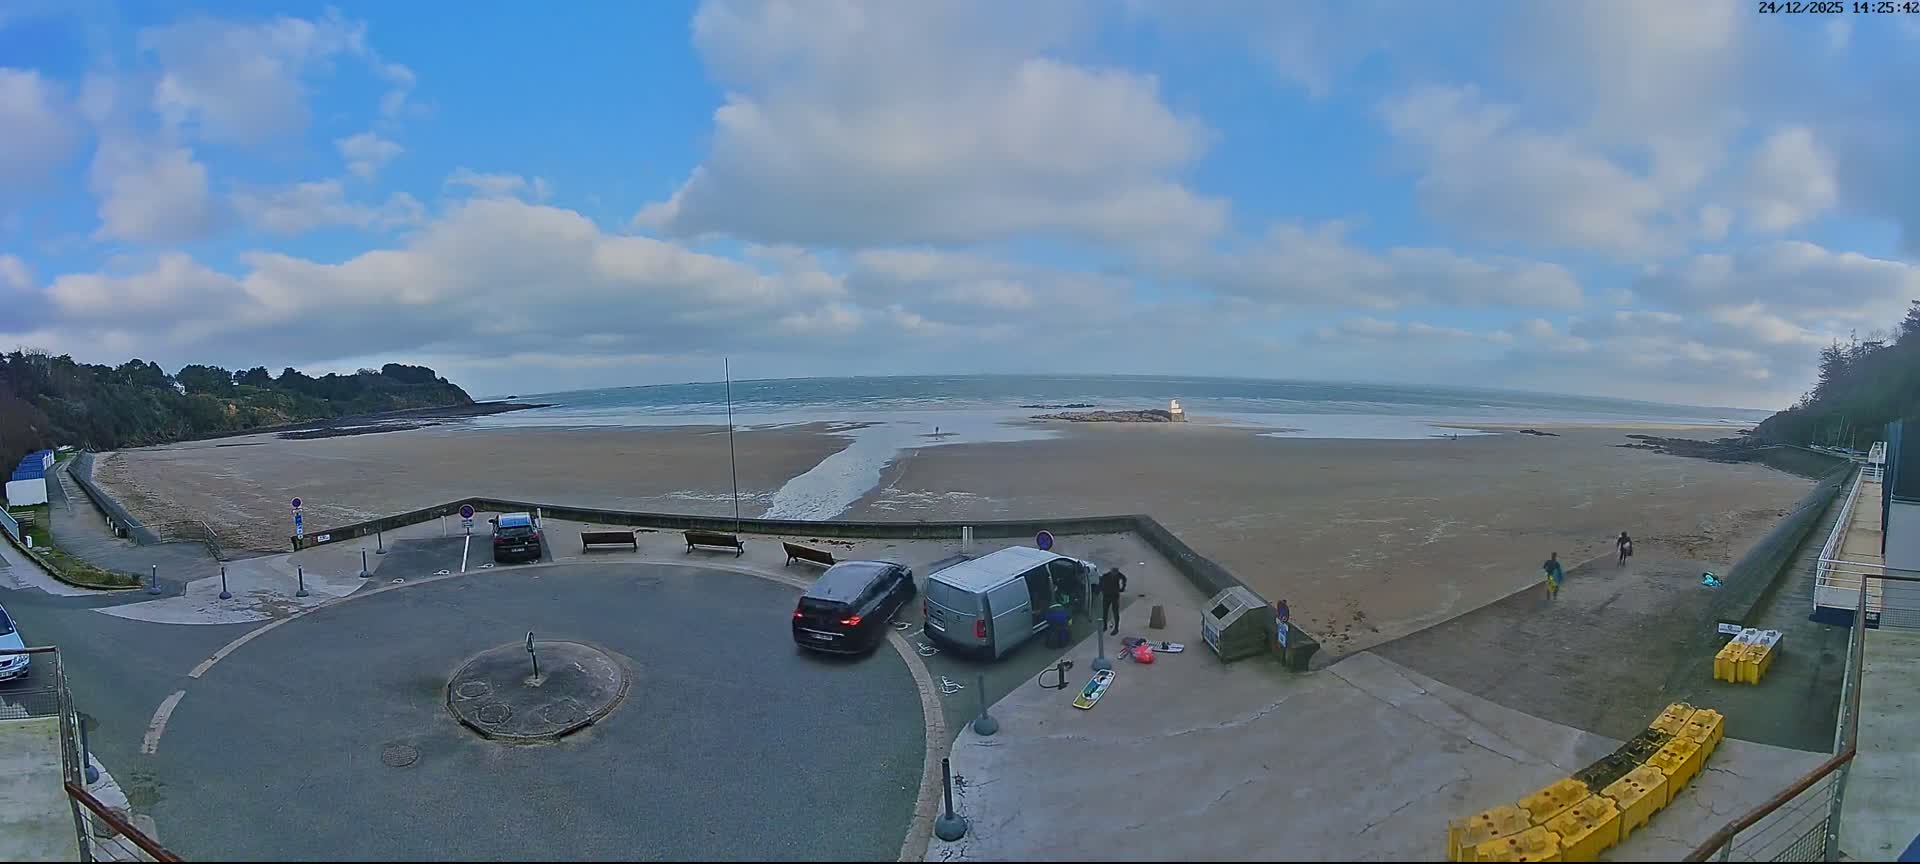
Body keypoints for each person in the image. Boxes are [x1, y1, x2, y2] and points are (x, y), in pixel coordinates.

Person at [1099, 567, 1128, 634]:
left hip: (1114, 596)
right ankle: (1105, 626)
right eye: (1114, 572)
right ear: (1111, 571)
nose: (1115, 574)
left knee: (1115, 612)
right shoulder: (1105, 576)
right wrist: (1101, 589)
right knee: (1105, 612)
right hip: (1107, 595)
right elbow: (1100, 581)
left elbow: (1124, 578)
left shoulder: (1118, 575)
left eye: (1116, 573)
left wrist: (1123, 587)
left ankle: (1116, 628)